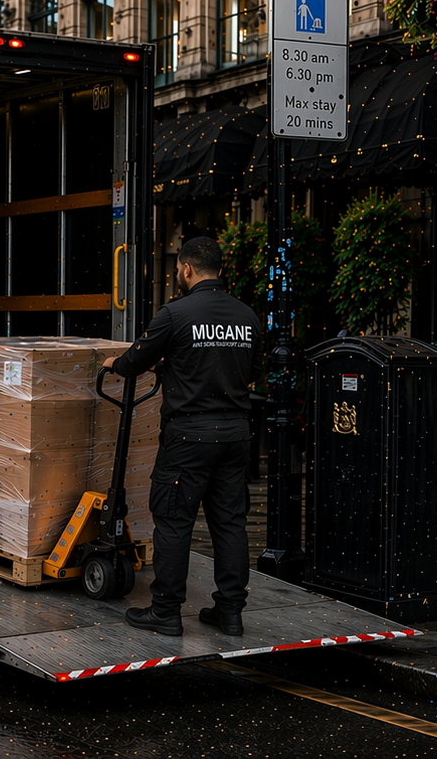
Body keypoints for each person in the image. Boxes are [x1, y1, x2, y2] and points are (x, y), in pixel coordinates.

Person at [105, 236, 261, 638]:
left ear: (187, 269)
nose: (178, 274)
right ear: (220, 270)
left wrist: (115, 363)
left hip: (189, 436)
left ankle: (166, 611)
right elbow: (251, 371)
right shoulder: (247, 316)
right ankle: (230, 612)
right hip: (235, 435)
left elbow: (136, 360)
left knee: (174, 521)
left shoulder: (175, 314)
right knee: (230, 523)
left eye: (178, 269)